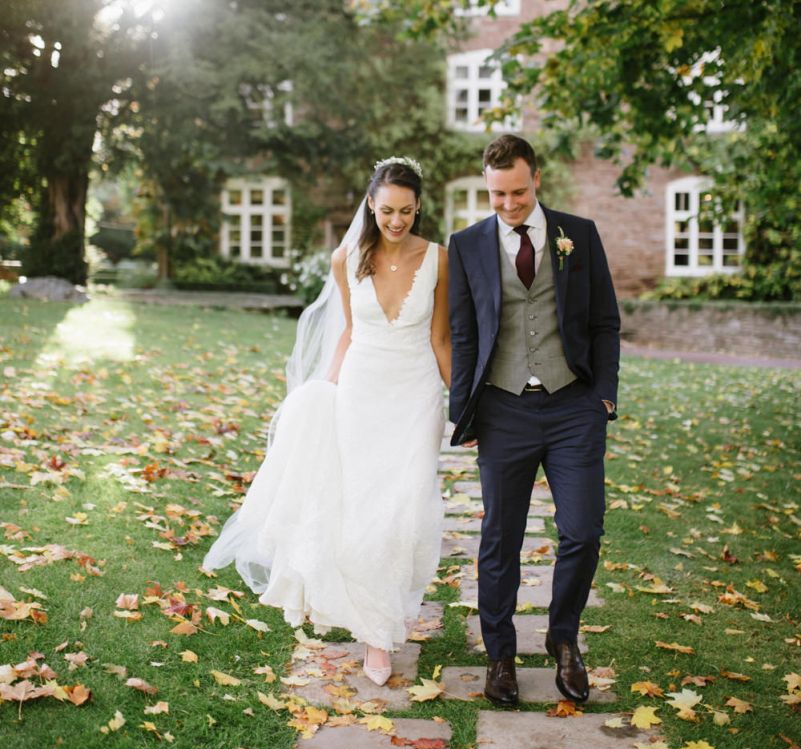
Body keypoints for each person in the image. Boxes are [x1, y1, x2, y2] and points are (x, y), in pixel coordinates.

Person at [203, 157, 450, 686]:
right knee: (362, 514)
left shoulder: (439, 260)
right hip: (360, 394)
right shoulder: (347, 259)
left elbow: (440, 338)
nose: (397, 221)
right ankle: (376, 637)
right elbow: (346, 332)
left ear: (419, 208)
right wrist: (325, 391)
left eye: (407, 211)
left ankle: (384, 616)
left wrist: (467, 404)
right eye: (387, 210)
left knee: (406, 511)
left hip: (415, 395)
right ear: (371, 205)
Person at [448, 134, 620, 706]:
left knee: (583, 531)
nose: (508, 203)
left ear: (536, 179)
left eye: (517, 191)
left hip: (572, 405)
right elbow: (465, 333)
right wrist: (464, 411)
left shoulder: (581, 235)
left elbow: (604, 322)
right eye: (497, 194)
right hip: (502, 408)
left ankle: (564, 638)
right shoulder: (467, 244)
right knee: (501, 538)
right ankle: (500, 655)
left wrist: (604, 398)